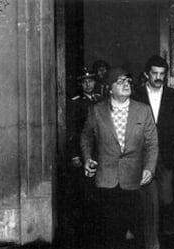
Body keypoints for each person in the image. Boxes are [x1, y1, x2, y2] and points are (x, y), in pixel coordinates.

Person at [81, 67, 158, 249]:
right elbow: (85, 136)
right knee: (110, 235)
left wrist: (150, 168)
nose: (126, 84)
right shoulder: (96, 111)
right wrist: (87, 158)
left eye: (128, 81)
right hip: (107, 180)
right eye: (120, 81)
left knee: (138, 235)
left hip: (135, 181)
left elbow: (152, 143)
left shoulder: (143, 111)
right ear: (109, 88)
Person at [133, 55, 174, 249]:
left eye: (162, 74)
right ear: (146, 74)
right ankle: (152, 241)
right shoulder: (137, 94)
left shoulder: (173, 95)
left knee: (166, 198)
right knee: (149, 200)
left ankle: (155, 230)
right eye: (155, 73)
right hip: (144, 156)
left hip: (167, 155)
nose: (159, 77)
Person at [66, 67, 102, 249]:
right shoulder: (76, 103)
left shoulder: (102, 100)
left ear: (96, 82)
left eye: (91, 81)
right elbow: (72, 131)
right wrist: (74, 155)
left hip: (101, 153)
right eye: (85, 81)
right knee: (86, 192)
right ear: (81, 84)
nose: (88, 84)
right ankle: (86, 233)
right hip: (84, 152)